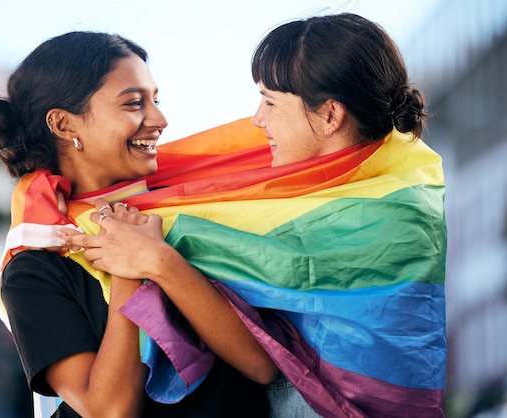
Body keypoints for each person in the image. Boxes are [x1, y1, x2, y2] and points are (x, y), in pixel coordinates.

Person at [57, 13, 447, 417]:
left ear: (330, 115)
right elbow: (263, 359)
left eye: (270, 101)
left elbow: (277, 367)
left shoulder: (387, 214)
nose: (257, 119)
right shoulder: (289, 199)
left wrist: (154, 257)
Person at [0, 31, 272, 418]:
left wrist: (158, 260)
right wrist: (126, 276)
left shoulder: (185, 214)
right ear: (64, 125)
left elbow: (261, 366)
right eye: (135, 103)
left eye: (156, 100)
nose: (160, 119)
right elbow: (109, 410)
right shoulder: (35, 267)